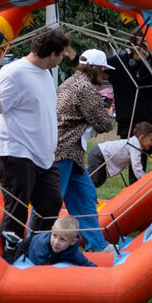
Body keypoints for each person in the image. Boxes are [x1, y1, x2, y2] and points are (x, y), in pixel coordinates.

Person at [0, 28, 71, 263]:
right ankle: (10, 256)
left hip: (42, 154)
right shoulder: (14, 73)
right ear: (52, 54)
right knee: (18, 207)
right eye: (61, 54)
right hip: (14, 151)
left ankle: (33, 249)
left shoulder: (44, 74)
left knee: (51, 201)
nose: (62, 59)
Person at [55, 48, 116, 253]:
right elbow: (103, 122)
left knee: (85, 195)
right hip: (63, 151)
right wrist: (109, 116)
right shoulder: (85, 87)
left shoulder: (70, 82)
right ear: (96, 68)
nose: (105, 76)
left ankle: (96, 244)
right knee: (52, 201)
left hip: (69, 152)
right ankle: (33, 243)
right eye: (104, 71)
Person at [107, 31, 152, 183]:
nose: (140, 50)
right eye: (137, 46)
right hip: (130, 125)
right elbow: (92, 65)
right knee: (136, 166)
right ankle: (136, 199)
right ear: (131, 46)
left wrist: (148, 58)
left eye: (145, 46)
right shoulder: (119, 63)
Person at [86, 121, 152, 188]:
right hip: (99, 154)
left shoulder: (135, 144)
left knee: (100, 180)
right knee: (93, 180)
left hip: (99, 153)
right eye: (151, 140)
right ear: (142, 137)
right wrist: (145, 181)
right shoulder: (134, 146)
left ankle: (80, 177)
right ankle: (79, 183)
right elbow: (136, 166)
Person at [24, 215, 97, 267]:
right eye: (54, 235)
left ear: (73, 242)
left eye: (62, 239)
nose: (56, 242)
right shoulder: (41, 245)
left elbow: (86, 264)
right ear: (52, 230)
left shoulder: (74, 251)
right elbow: (35, 268)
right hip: (28, 248)